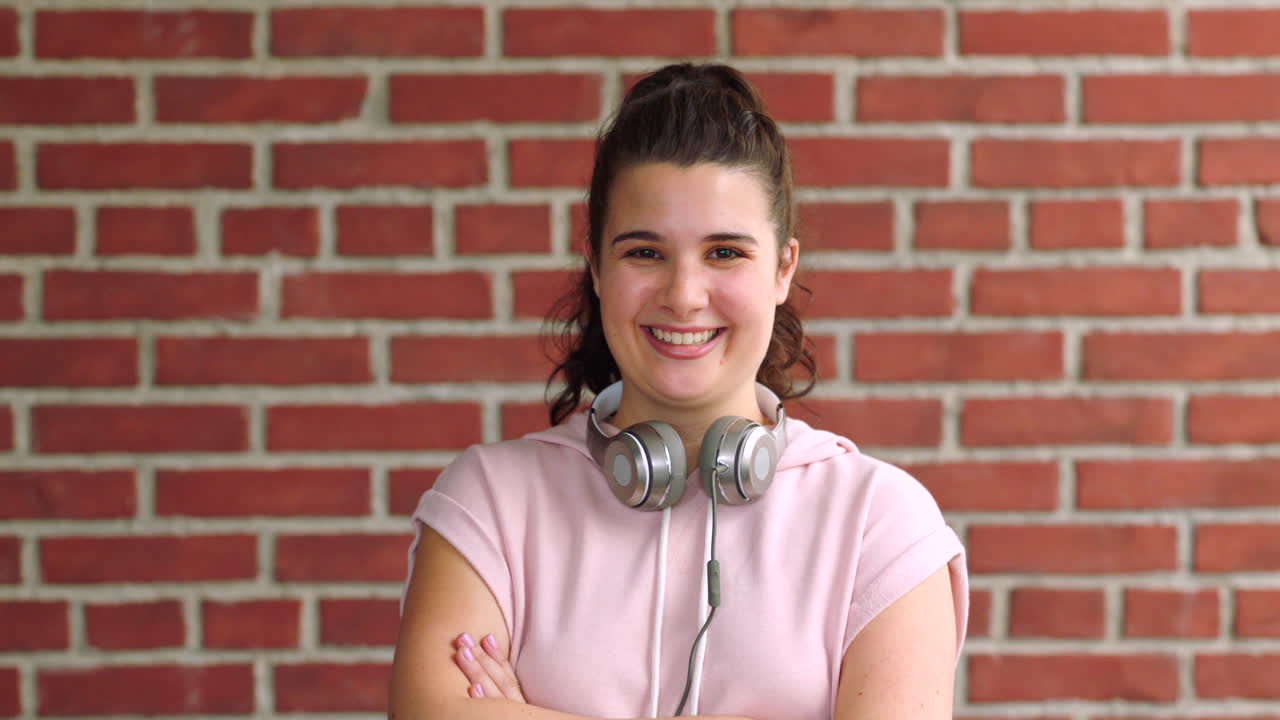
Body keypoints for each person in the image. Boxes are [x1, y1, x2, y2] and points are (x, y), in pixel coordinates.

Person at [389, 62, 968, 720]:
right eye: (645, 252)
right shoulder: (488, 504)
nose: (684, 296)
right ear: (598, 269)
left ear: (783, 269)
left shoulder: (880, 524)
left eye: (725, 253)